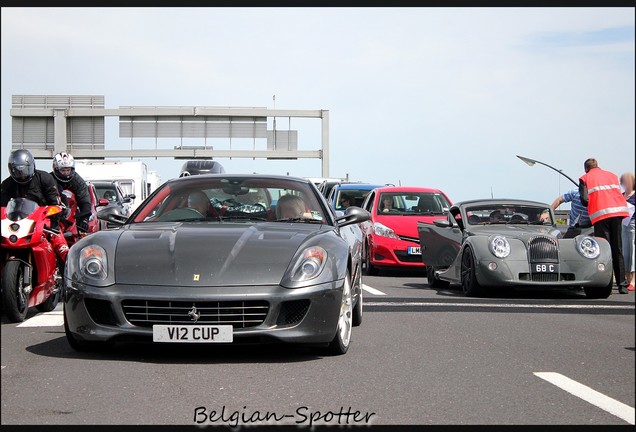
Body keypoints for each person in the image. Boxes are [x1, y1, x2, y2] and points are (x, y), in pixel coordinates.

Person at [1, 149, 70, 262]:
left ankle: (68, 270)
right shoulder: (7, 184)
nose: (22, 175)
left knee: (59, 242)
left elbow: (54, 201)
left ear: (31, 166)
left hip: (43, 218)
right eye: (18, 171)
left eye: (24, 170)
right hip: (17, 221)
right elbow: (2, 207)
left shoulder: (45, 178)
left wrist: (55, 216)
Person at [579, 158, 630, 294]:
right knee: (617, 249)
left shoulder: (585, 178)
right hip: (617, 213)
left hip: (601, 215)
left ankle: (605, 282)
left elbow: (584, 201)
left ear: (586, 169)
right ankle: (622, 285)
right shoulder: (612, 175)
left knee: (604, 250)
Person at [50, 152, 92, 233]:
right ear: (56, 169)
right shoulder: (49, 179)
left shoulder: (78, 181)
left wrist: (84, 218)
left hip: (74, 214)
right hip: (55, 213)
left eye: (68, 170)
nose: (66, 173)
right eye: (63, 170)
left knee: (84, 232)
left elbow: (84, 198)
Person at [620, 172, 635, 291]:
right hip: (623, 225)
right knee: (624, 251)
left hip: (633, 225)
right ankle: (625, 277)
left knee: (633, 251)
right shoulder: (621, 195)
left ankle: (633, 280)